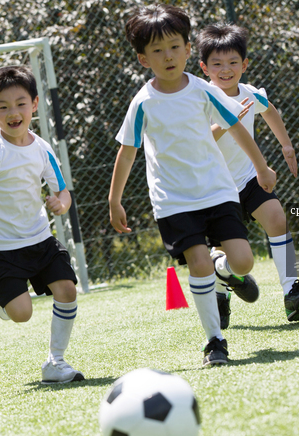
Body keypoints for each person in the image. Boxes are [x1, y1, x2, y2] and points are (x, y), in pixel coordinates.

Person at [109, 4, 277, 367]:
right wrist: (114, 200)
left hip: (218, 191)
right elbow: (127, 152)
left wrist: (261, 167)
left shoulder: (203, 90)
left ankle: (224, 268)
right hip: (174, 201)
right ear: (143, 59)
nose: (168, 56)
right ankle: (215, 341)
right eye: (157, 50)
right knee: (198, 263)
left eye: (174, 46)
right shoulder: (143, 103)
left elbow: (235, 127)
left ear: (188, 49)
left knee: (244, 261)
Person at [0, 65, 84, 384]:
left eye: (20, 104)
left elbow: (63, 191)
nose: (13, 113)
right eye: (3, 107)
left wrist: (61, 204)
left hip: (39, 238)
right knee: (21, 314)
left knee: (67, 290)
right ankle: (4, 299)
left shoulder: (42, 147)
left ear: (34, 104)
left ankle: (55, 362)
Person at [196, 23, 299, 327]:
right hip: (215, 188)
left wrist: (286, 145)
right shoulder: (201, 98)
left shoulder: (249, 93)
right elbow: (199, 141)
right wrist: (228, 120)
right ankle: (221, 293)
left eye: (233, 62)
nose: (226, 69)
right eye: (217, 64)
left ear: (244, 64)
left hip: (249, 178)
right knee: (224, 251)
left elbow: (269, 110)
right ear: (204, 67)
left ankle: (292, 291)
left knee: (276, 218)